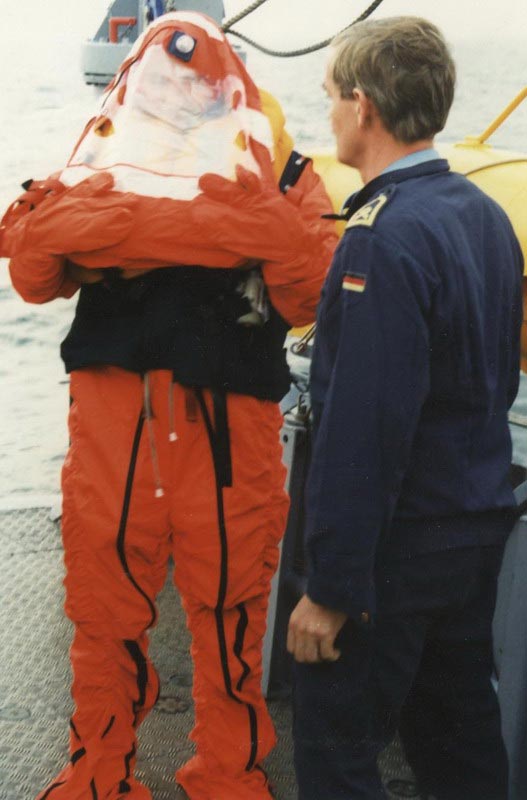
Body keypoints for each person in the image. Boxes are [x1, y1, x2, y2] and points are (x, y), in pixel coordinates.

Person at [0, 12, 337, 800]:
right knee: (101, 603)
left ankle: (227, 770)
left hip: (225, 432)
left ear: (223, 84)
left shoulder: (280, 171)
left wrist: (124, 242)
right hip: (118, 426)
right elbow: (32, 269)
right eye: (163, 78)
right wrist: (221, 233)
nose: (177, 91)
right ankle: (99, 768)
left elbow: (311, 291)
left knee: (231, 605)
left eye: (193, 79)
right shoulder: (99, 161)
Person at [286, 16, 523, 800]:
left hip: (396, 553)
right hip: (471, 531)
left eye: (331, 96)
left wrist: (331, 589)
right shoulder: (482, 215)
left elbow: (365, 429)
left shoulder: (378, 239)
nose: (328, 114)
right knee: (459, 748)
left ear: (362, 106)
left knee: (337, 754)